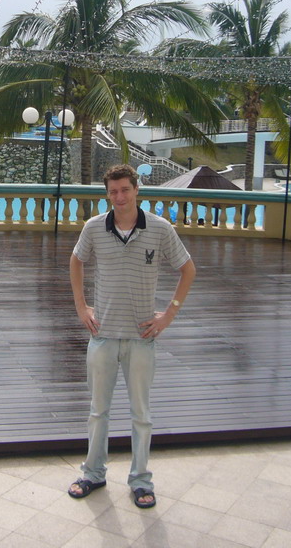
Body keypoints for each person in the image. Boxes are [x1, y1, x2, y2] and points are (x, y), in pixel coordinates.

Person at [67, 164, 196, 509]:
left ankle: (141, 480)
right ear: (107, 194)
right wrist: (82, 307)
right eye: (113, 192)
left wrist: (170, 313)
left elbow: (187, 269)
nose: (120, 197)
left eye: (125, 190)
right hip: (104, 335)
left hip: (142, 337)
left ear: (137, 189)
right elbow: (76, 261)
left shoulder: (159, 229)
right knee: (98, 412)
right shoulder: (94, 228)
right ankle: (93, 473)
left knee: (141, 414)